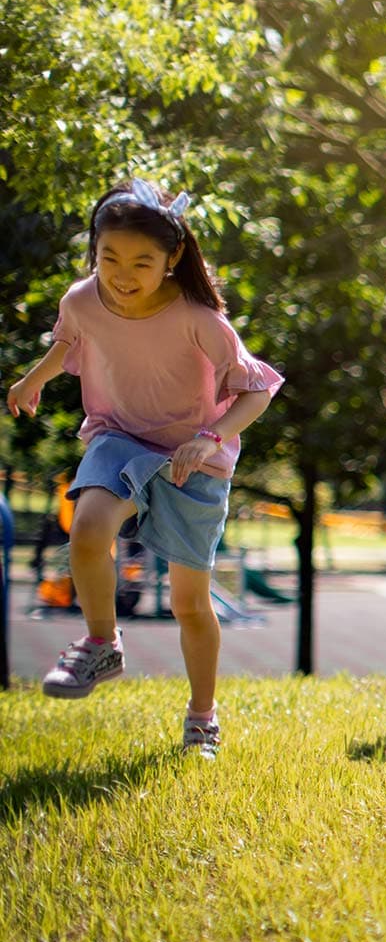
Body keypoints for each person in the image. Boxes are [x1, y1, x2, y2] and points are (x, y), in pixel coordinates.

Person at [8, 178, 284, 759]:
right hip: (119, 435)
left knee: (189, 604)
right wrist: (37, 376)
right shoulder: (82, 299)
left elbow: (255, 392)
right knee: (86, 531)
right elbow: (71, 340)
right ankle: (101, 642)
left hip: (192, 457)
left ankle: (202, 717)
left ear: (172, 258)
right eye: (108, 258)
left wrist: (211, 438)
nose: (122, 274)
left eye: (141, 262)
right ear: (93, 251)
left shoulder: (199, 318)